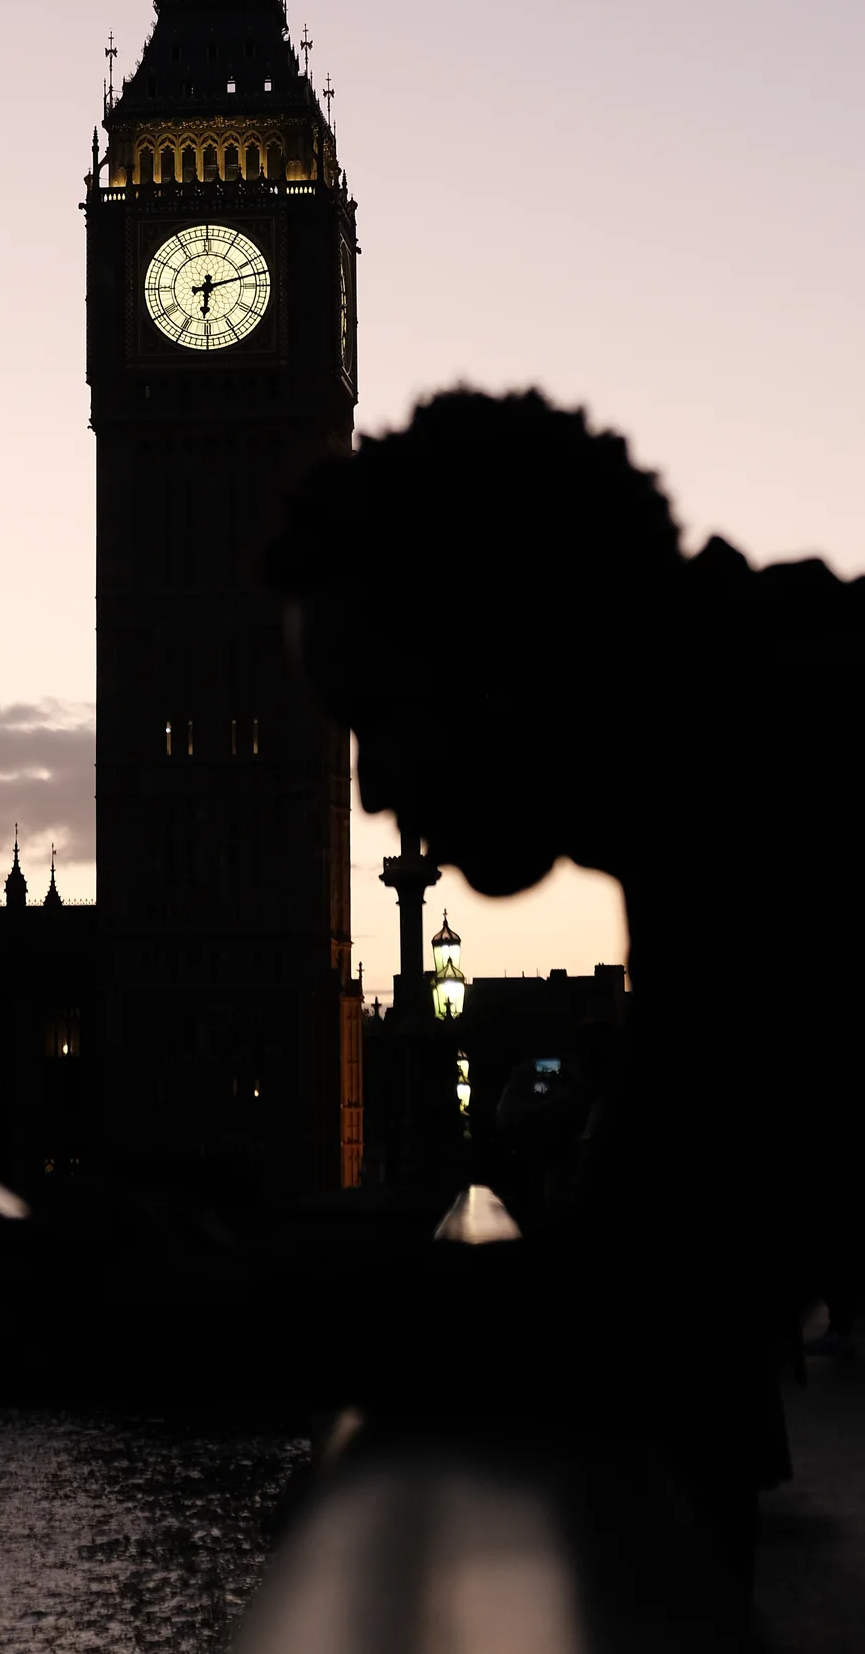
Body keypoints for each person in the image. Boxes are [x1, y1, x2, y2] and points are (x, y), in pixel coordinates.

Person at [265, 386, 864, 1575]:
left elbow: (637, 1312)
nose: (374, 790)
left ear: (504, 645)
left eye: (378, 715)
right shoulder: (745, 733)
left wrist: (221, 1309)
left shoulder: (781, 785)